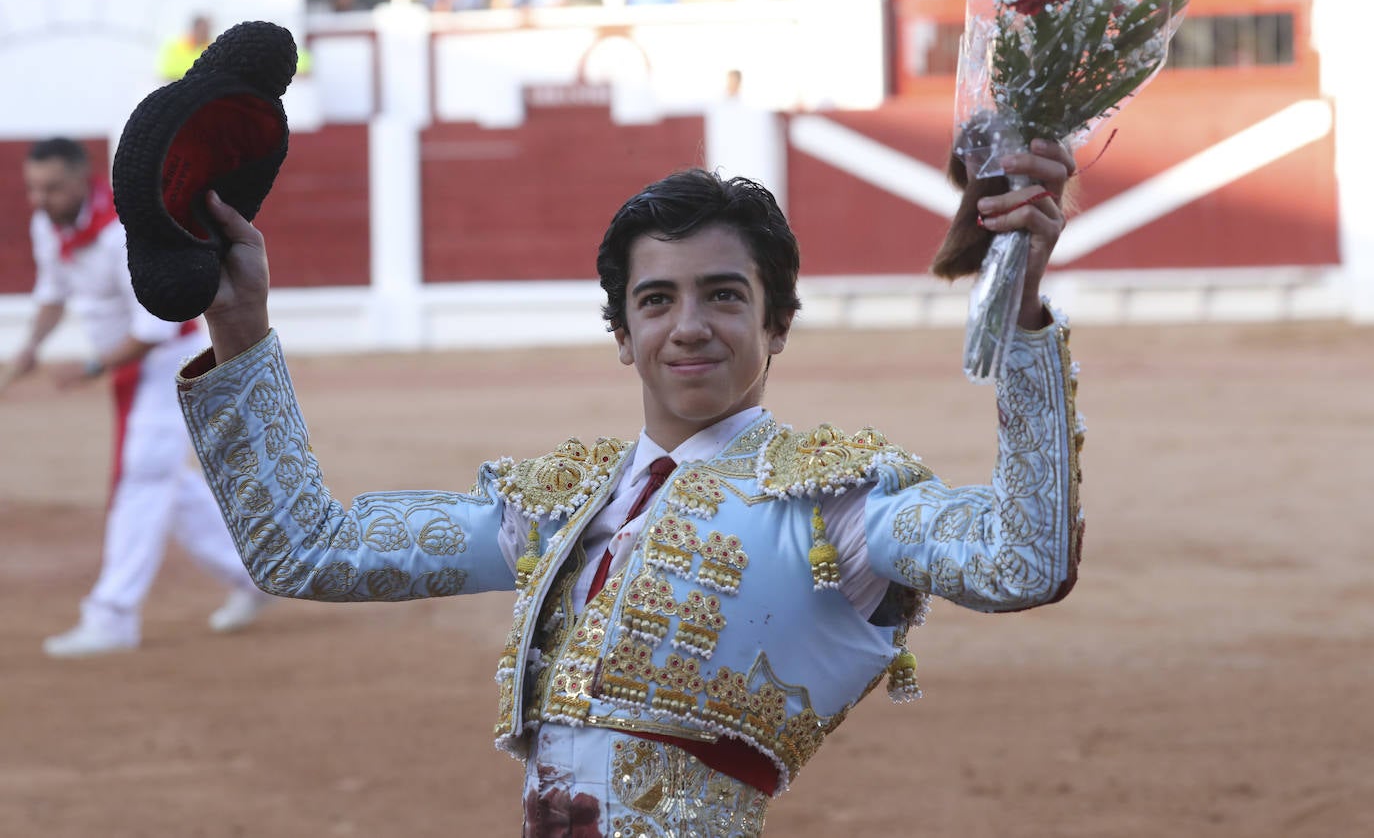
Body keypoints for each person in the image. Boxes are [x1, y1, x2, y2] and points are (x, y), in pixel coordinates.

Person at [175, 145, 1083, 833]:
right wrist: (239, 320)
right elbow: (307, 549)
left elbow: (1021, 559)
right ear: (623, 334)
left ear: (778, 325)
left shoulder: (837, 502)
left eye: (725, 296)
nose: (689, 327)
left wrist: (1024, 303)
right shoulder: (558, 507)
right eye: (657, 301)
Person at [0, 139, 271, 658]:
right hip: (133, 369)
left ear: (84, 180)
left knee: (142, 477)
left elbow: (159, 326)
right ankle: (253, 577)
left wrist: (92, 366)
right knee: (164, 480)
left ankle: (113, 615)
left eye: (52, 187)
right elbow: (53, 295)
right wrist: (30, 348)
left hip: (174, 363)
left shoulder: (120, 233)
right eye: (33, 187)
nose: (40, 198)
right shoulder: (49, 224)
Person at [157, 14, 212, 81]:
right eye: (202, 30)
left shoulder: (212, 48)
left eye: (207, 30)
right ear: (194, 29)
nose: (204, 33)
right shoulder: (175, 46)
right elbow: (166, 72)